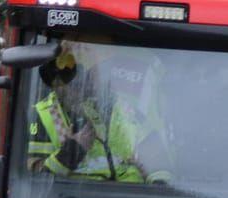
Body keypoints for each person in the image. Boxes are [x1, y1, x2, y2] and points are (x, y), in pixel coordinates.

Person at [27, 45, 169, 183]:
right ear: (57, 83)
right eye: (73, 81)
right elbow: (34, 178)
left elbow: (159, 163)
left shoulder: (120, 107)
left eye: (87, 77)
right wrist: (71, 151)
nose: (82, 88)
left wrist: (159, 186)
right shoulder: (44, 115)